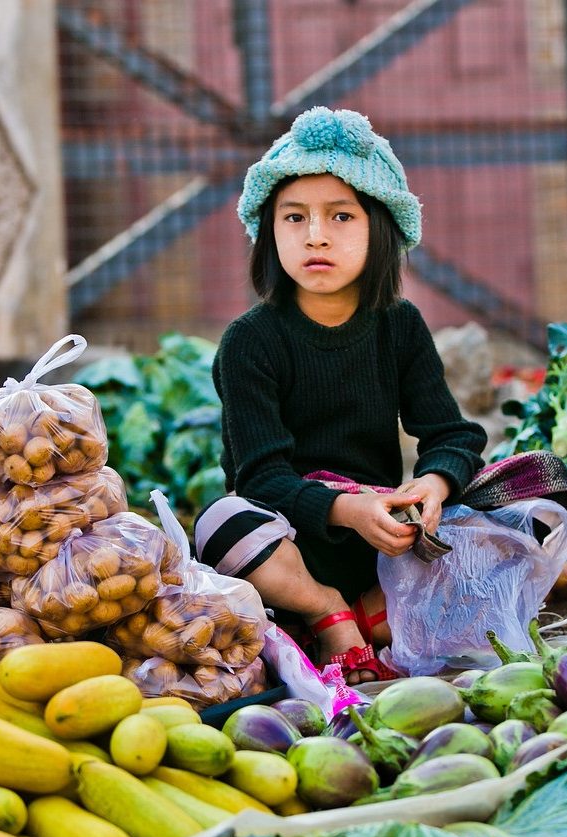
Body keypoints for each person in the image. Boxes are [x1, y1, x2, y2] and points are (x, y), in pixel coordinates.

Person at [194, 107, 487, 684]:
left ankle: (378, 606)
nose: (316, 235)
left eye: (341, 216)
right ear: (269, 231)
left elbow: (453, 435)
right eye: (294, 217)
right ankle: (325, 610)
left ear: (381, 229)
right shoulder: (250, 342)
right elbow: (259, 478)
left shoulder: (399, 325)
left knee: (520, 495)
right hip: (288, 544)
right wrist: (344, 510)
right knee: (219, 519)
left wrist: (432, 484)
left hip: (386, 540)